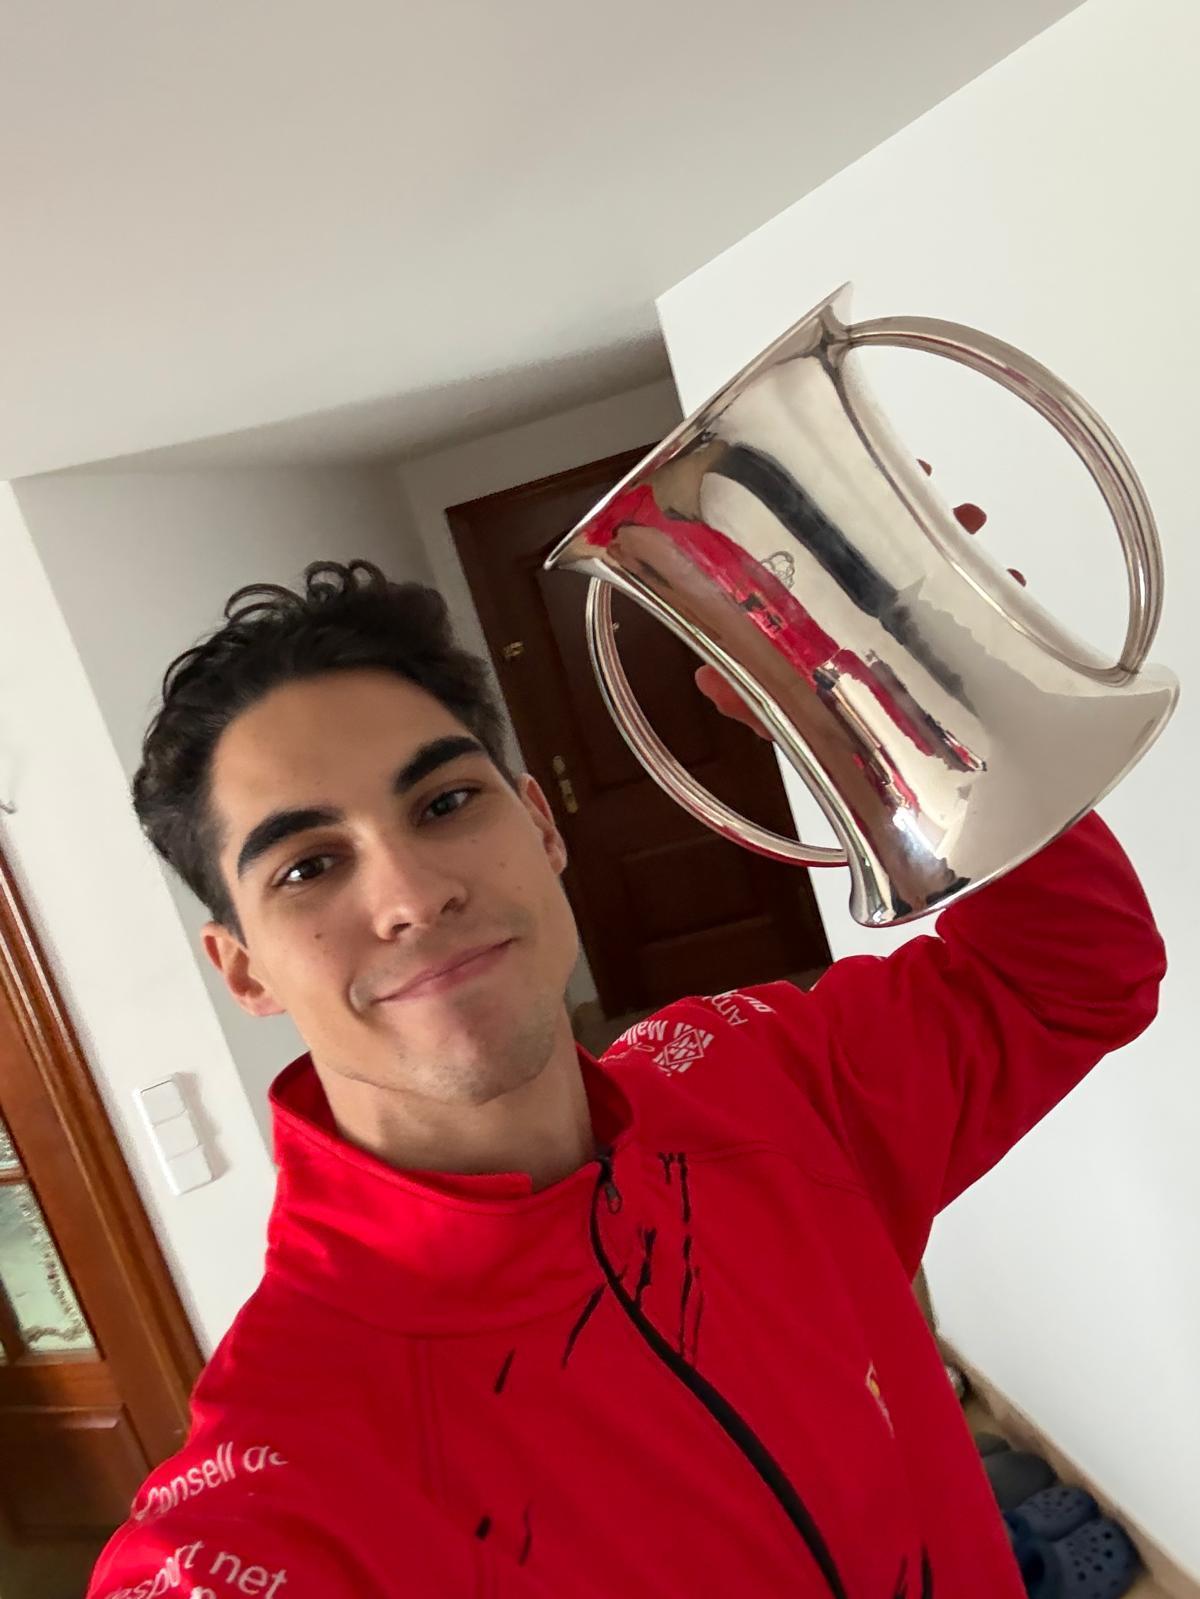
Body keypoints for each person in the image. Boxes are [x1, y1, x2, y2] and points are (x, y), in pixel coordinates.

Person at [87, 558, 1164, 1599]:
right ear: (244, 970)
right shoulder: (286, 1483)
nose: (412, 894)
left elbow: (1069, 974)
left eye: (446, 803)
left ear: (540, 822)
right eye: (309, 867)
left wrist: (921, 711)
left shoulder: (756, 1082)